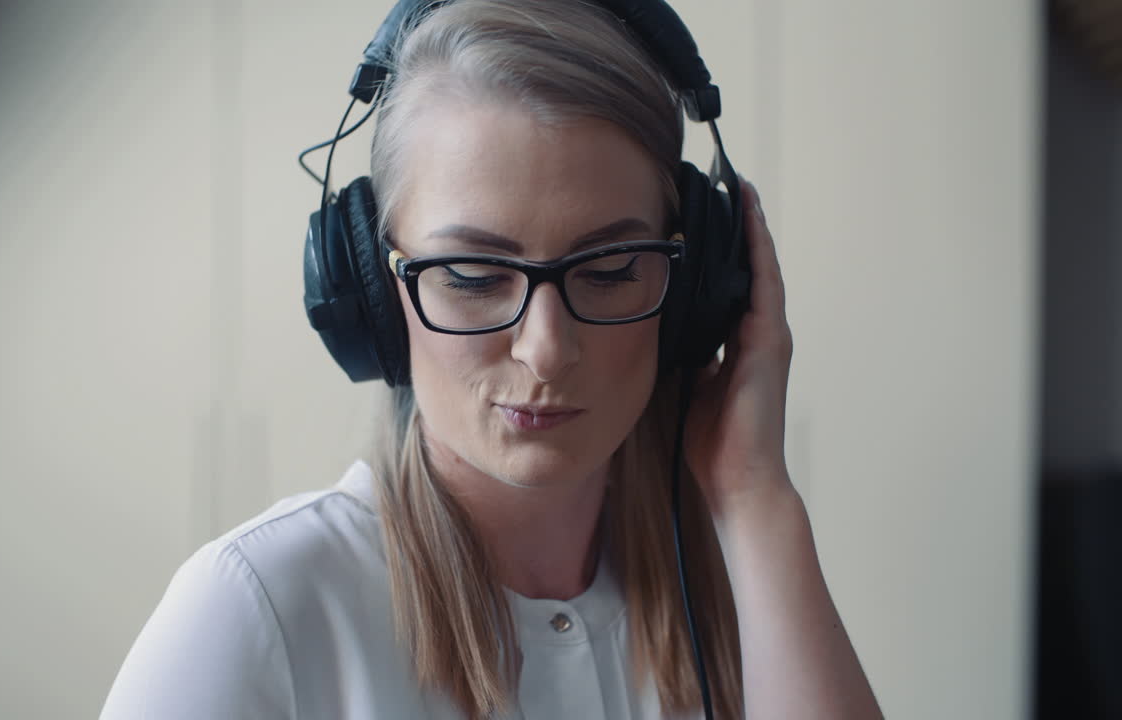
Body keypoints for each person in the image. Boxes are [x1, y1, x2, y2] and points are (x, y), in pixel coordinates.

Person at [101, 1, 882, 718]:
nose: (546, 349)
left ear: (693, 290)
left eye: (609, 269)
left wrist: (754, 494)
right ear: (372, 289)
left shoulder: (741, 591)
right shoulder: (257, 611)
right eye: (472, 276)